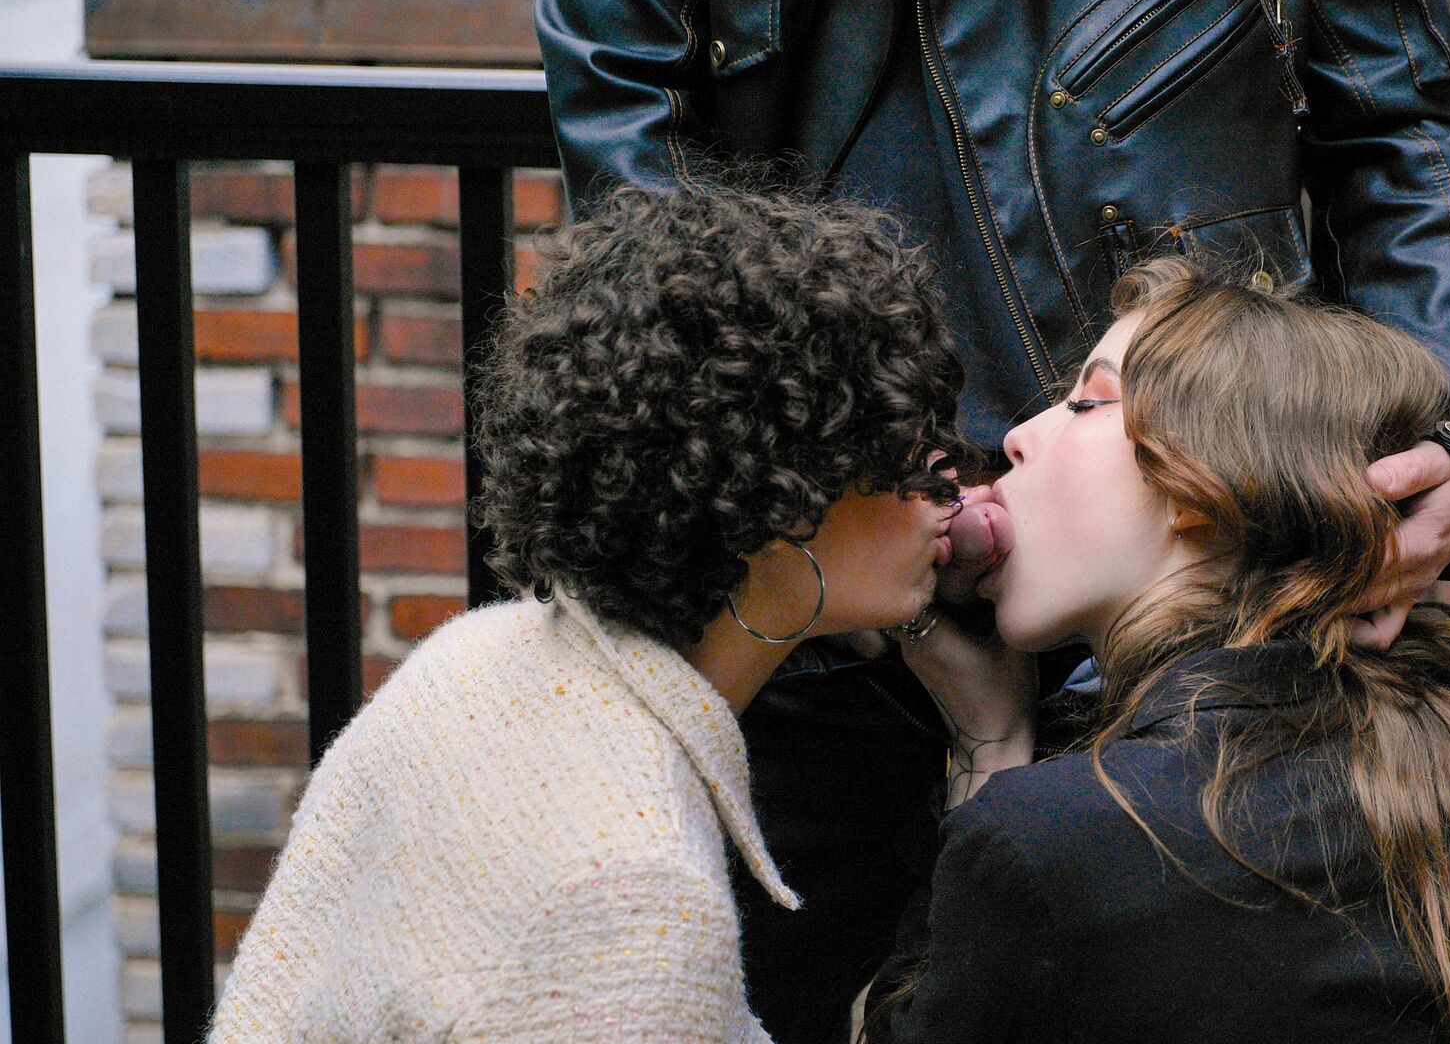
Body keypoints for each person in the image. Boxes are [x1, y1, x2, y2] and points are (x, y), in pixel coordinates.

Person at [535, 0, 1450, 1037]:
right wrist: (806, 491)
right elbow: (647, 190)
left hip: (1203, 596)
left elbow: (1396, 118)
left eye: (1085, 401)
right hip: (824, 609)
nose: (1026, 432)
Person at [206, 182, 973, 1042]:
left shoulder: (471, 659)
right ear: (772, 503)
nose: (947, 472)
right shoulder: (637, 895)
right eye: (897, 444)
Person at [866, 255, 1450, 1044]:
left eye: (1089, 402)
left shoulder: (1041, 838)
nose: (1017, 437)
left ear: (1203, 481)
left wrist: (990, 751)